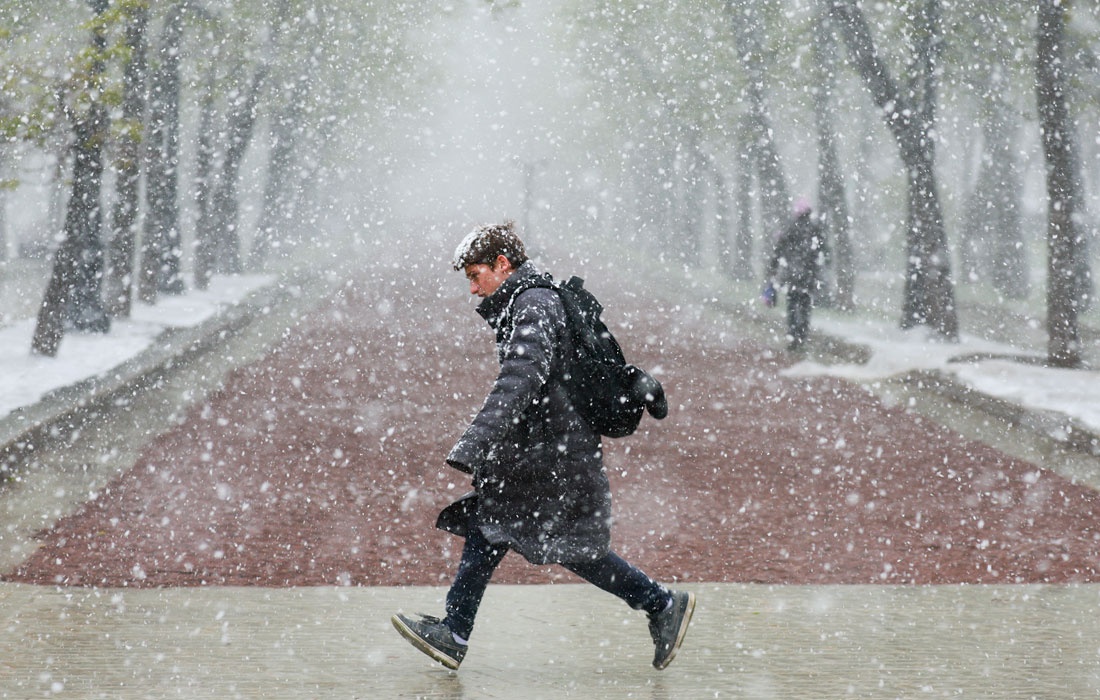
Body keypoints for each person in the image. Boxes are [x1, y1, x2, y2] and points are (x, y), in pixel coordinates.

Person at [391, 221, 695, 671]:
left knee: (549, 542)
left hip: (552, 457)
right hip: (544, 454)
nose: (473, 289)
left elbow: (520, 379)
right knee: (503, 530)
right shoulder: (531, 300)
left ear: (502, 264)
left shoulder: (533, 305)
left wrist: (475, 442)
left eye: (476, 276)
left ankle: (660, 603)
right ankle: (658, 603)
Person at [765, 198, 830, 351]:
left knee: (792, 305)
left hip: (792, 275)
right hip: (809, 275)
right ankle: (802, 335)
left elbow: (779, 249)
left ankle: (793, 335)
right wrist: (823, 264)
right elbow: (824, 251)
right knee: (806, 306)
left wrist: (773, 267)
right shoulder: (815, 229)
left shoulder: (791, 228)